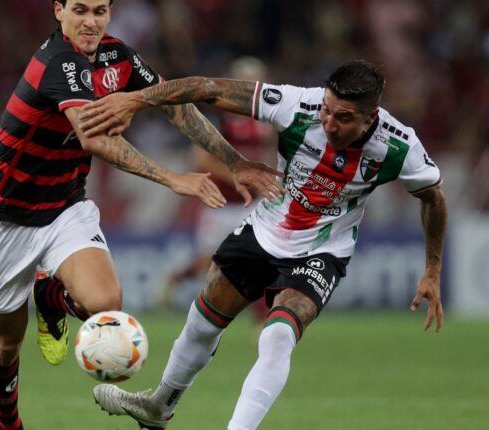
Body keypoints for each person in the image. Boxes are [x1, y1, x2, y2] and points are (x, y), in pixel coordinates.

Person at [0, 1, 283, 429]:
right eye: (79, 10)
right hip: (4, 217)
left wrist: (235, 161)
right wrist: (173, 177)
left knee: (106, 304)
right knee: (4, 346)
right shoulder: (56, 62)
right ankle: (8, 423)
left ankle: (51, 296)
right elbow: (93, 137)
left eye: (100, 11)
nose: (90, 22)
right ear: (58, 11)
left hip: (64, 207)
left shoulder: (117, 55)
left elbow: (176, 106)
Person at [80, 59, 447, 430]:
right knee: (204, 319)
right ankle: (160, 405)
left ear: (370, 119)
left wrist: (433, 269)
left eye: (345, 118)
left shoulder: (400, 146)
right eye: (327, 110)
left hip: (323, 250)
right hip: (265, 228)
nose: (330, 124)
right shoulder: (296, 105)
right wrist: (136, 100)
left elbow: (433, 198)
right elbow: (208, 87)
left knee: (276, 336)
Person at [162, 57, 276, 323]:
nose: (253, 87)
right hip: (222, 201)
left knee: (264, 256)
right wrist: (237, 173)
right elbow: (200, 158)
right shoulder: (220, 118)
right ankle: (176, 279)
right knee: (210, 263)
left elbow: (267, 153)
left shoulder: (267, 117)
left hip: (255, 202)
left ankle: (262, 319)